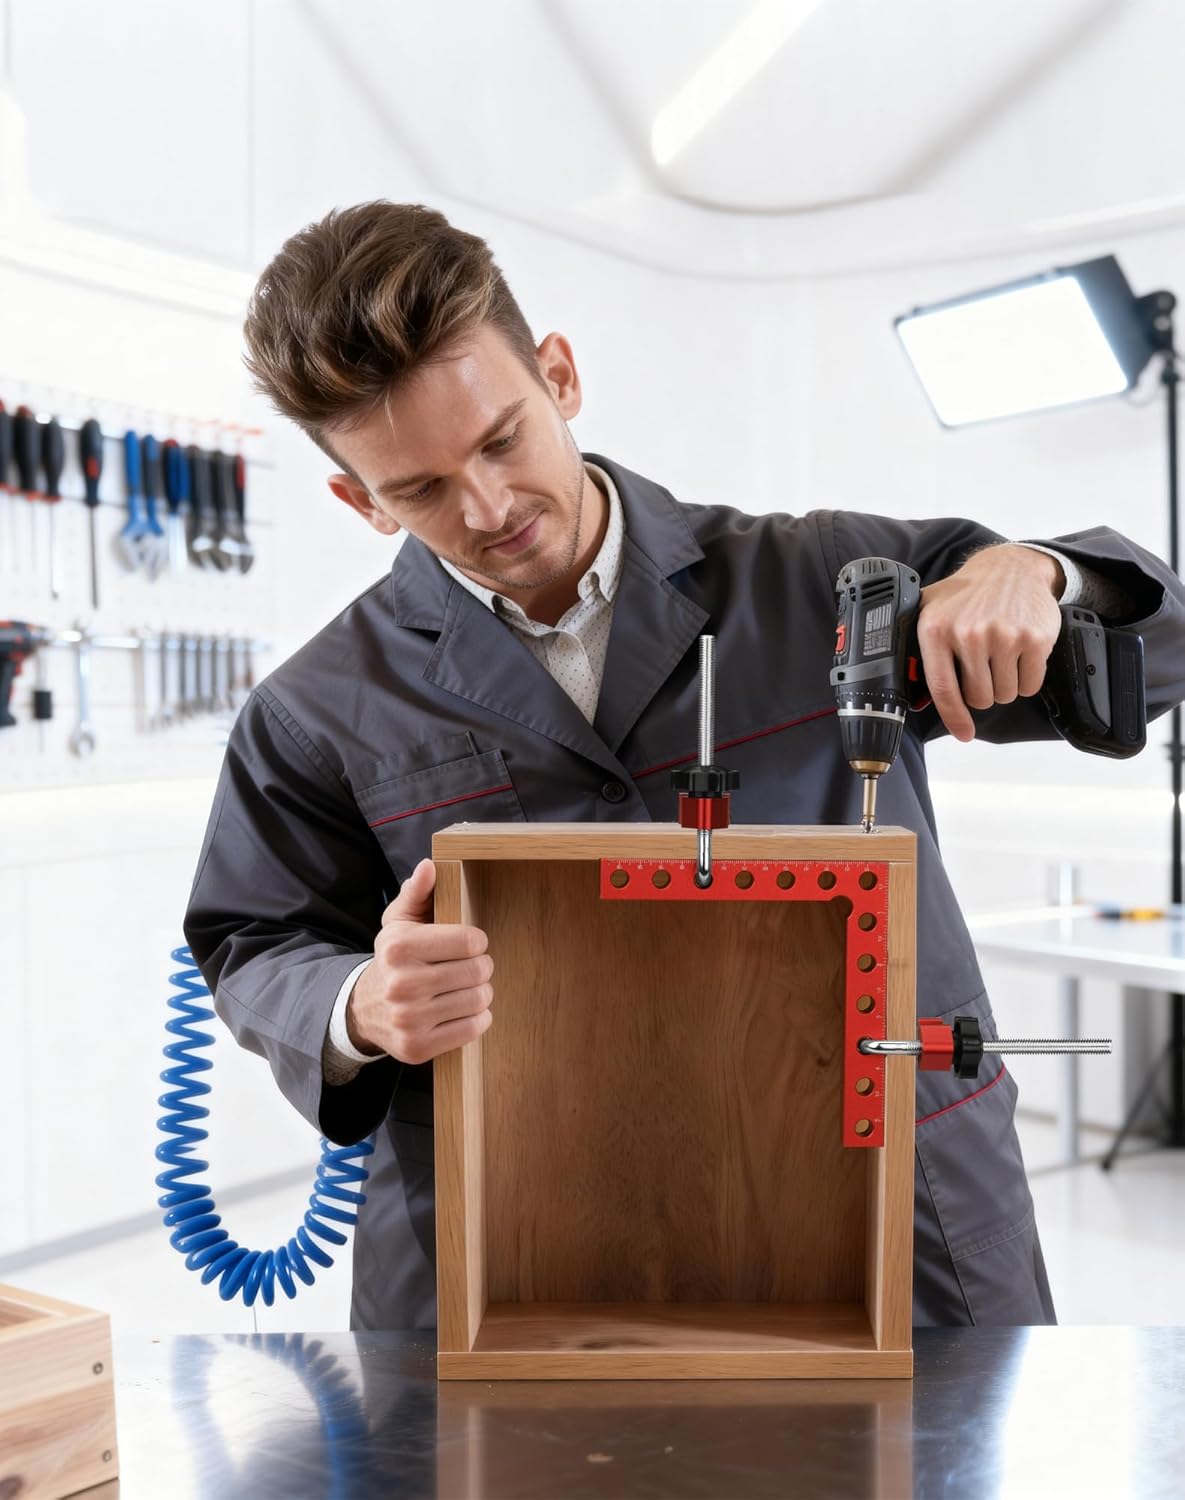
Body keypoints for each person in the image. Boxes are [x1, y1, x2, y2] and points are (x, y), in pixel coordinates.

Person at [184, 201, 1185, 1332]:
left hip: (895, 1209)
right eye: (417, 491)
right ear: (355, 500)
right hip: (521, 1241)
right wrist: (357, 1003)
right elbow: (255, 941)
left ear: (558, 375)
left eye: (501, 438)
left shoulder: (825, 582)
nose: (489, 507)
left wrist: (1041, 575)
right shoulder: (315, 711)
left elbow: (1160, 652)